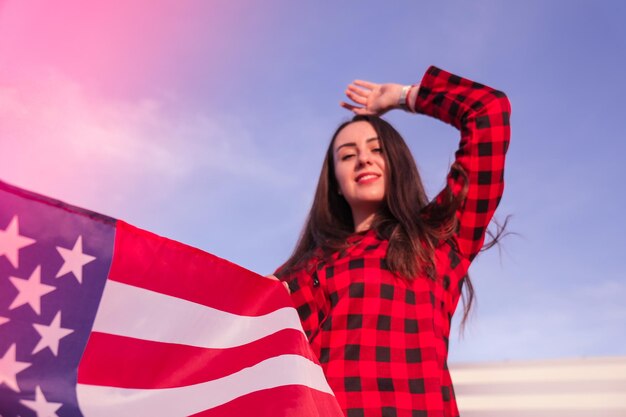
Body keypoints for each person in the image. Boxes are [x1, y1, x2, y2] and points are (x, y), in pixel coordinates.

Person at [273, 66, 511, 417]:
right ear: (336, 182)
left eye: (377, 149)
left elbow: (488, 111)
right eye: (347, 155)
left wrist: (402, 97)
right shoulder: (306, 269)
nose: (364, 158)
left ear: (396, 162)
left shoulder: (438, 236)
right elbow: (240, 320)